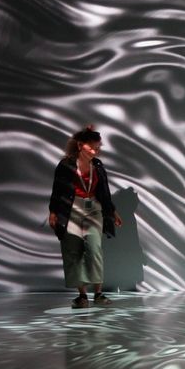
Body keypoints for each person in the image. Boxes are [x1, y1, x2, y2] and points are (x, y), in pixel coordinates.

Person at [48, 125, 122, 308]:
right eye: (92, 147)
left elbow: (105, 191)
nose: (95, 151)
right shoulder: (65, 165)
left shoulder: (98, 165)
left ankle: (98, 293)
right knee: (72, 251)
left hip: (94, 209)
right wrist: (53, 212)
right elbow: (57, 190)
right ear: (80, 145)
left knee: (94, 248)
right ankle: (82, 296)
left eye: (98, 148)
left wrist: (112, 211)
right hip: (71, 209)